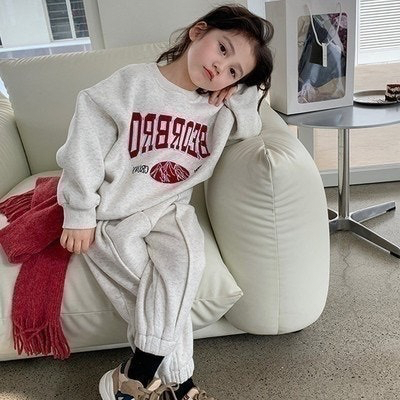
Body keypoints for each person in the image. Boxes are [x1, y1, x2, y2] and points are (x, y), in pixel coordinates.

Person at [56, 4, 273, 400]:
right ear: (198, 31)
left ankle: (135, 373)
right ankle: (180, 383)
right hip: (113, 212)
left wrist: (240, 90)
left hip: (170, 208)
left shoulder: (218, 106)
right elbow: (84, 145)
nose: (220, 69)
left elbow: (253, 123)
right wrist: (79, 211)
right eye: (222, 49)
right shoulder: (132, 83)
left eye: (233, 71)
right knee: (158, 290)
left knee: (187, 264)